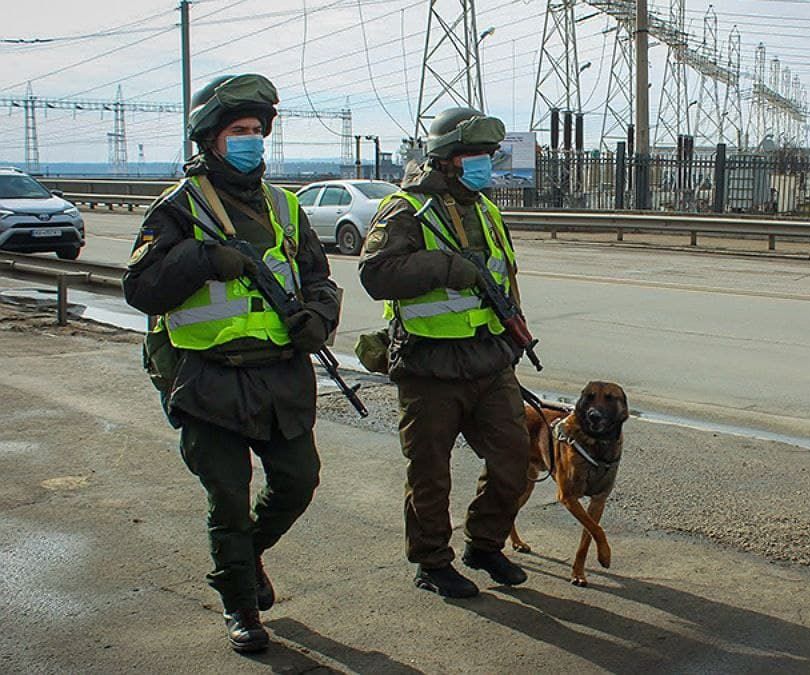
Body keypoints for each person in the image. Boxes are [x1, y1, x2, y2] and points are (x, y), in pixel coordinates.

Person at [123, 73, 341, 653]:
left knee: (298, 481)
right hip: (207, 379)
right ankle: (239, 603)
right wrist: (199, 258)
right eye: (239, 131)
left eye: (256, 130)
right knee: (228, 497)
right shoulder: (176, 209)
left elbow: (320, 280)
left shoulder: (284, 206)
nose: (252, 140)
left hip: (279, 376)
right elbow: (140, 288)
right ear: (210, 139)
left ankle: (247, 556)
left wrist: (319, 319)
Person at [359, 107, 529, 598]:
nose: (485, 165)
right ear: (448, 158)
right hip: (429, 363)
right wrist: (443, 267)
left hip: (489, 359)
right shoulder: (405, 209)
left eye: (489, 156)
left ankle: (484, 544)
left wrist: (514, 332)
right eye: (477, 156)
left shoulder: (485, 208)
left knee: (514, 459)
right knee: (430, 474)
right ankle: (432, 561)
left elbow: (504, 277)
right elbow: (375, 275)